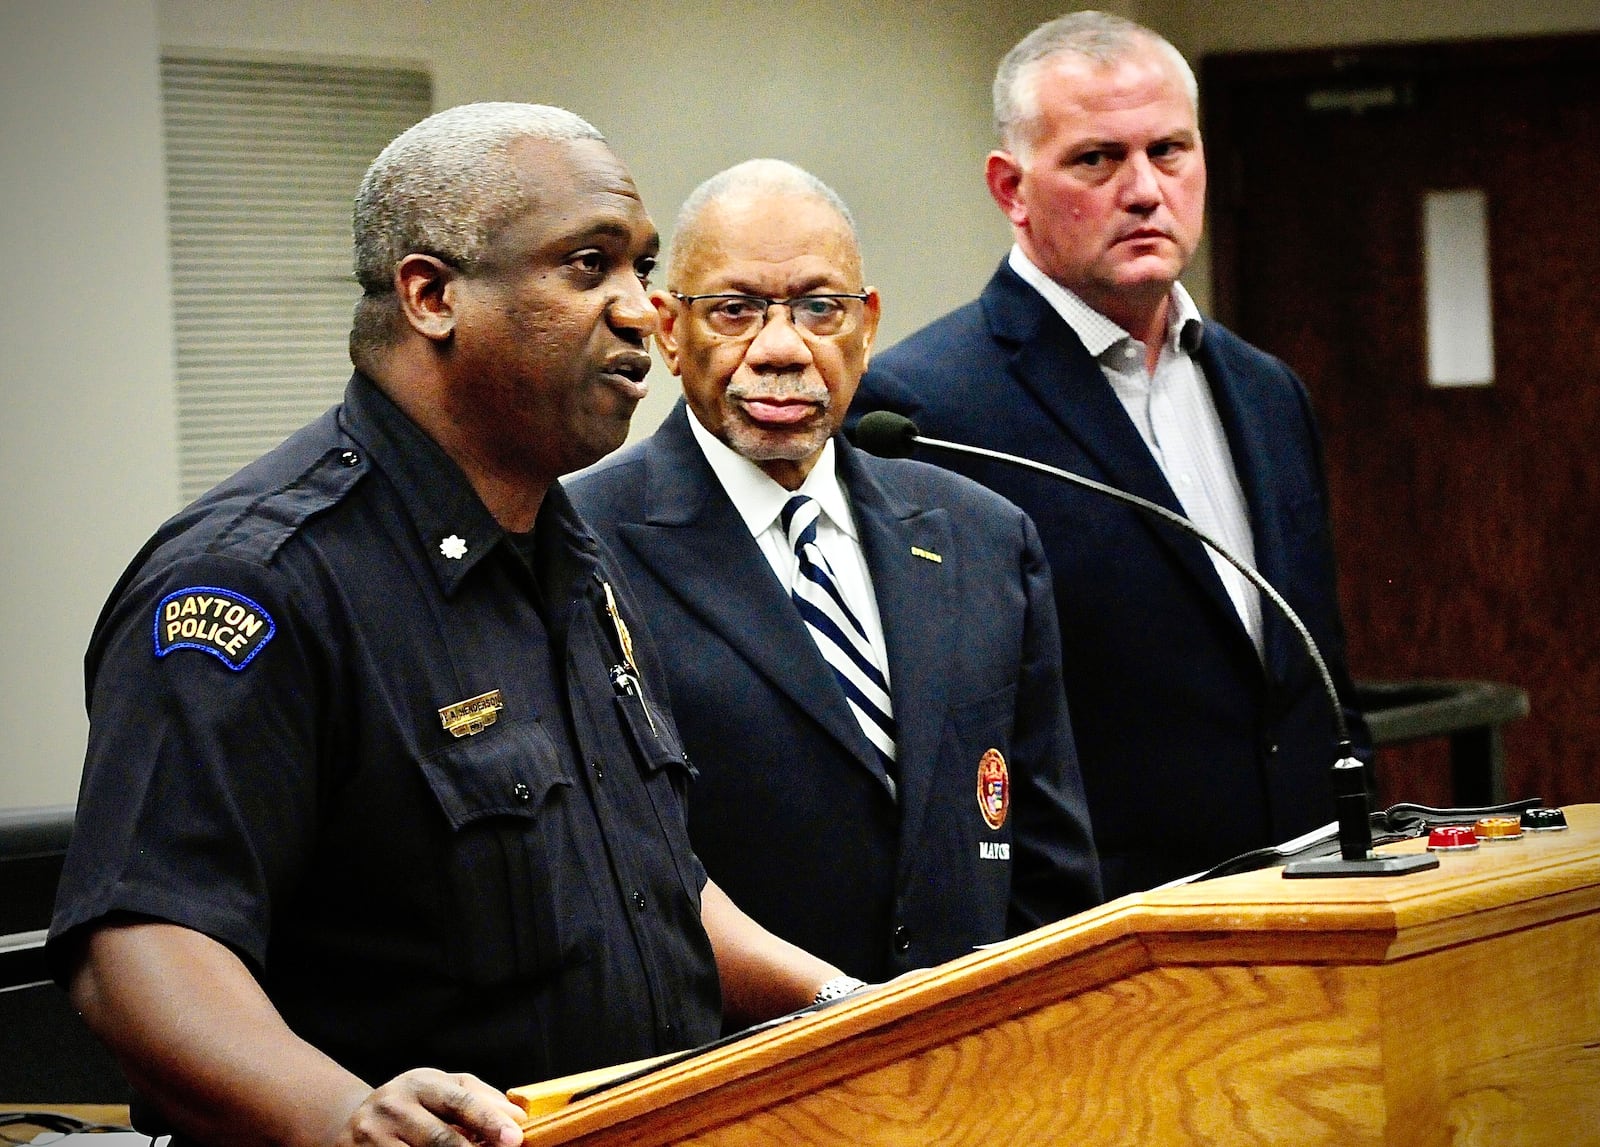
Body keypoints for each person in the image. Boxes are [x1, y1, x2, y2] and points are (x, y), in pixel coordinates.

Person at [47, 104, 849, 1147]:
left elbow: (650, 882)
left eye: (640, 269)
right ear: (430, 295)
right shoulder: (256, 581)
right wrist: (340, 1114)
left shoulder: (571, 553)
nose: (641, 311)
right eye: (587, 265)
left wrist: (840, 1000)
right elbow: (140, 941)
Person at [852, 12, 1371, 898]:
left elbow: (1313, 672)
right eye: (1097, 159)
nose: (1143, 190)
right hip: (1110, 930)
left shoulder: (1266, 389)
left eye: (1169, 151)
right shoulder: (922, 404)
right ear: (1011, 189)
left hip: (1317, 900)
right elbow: (946, 736)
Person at [566, 160, 1101, 987]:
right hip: (732, 1080)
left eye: (821, 308)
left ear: (867, 325)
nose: (781, 349)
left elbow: (1047, 860)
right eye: (735, 310)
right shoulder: (578, 545)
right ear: (669, 330)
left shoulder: (982, 535)